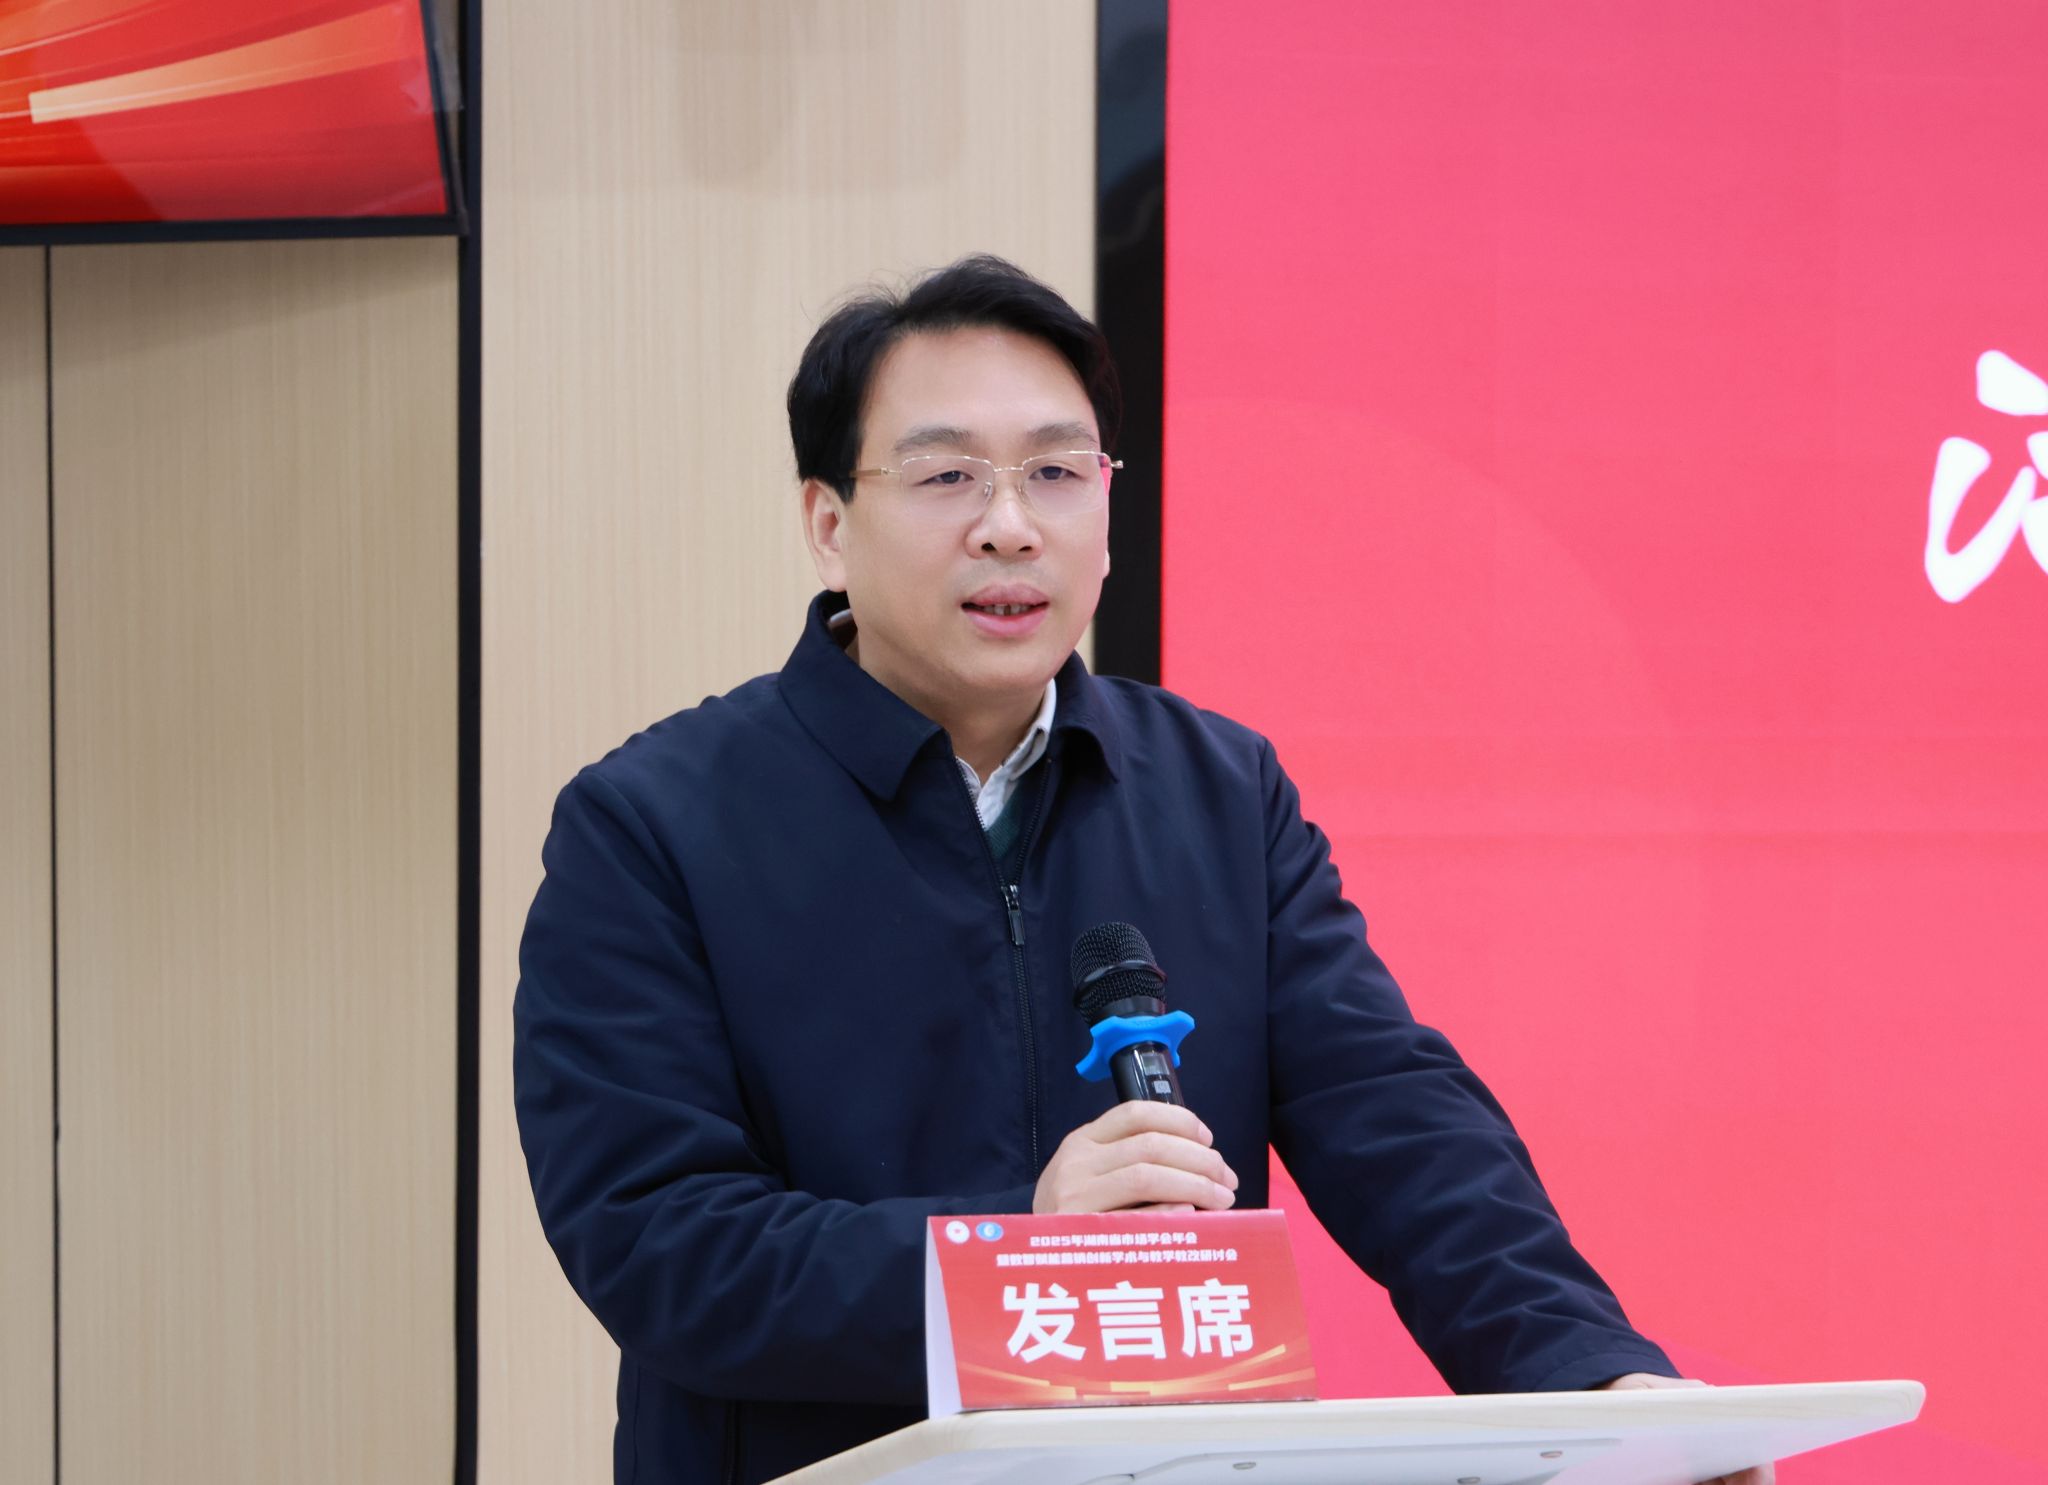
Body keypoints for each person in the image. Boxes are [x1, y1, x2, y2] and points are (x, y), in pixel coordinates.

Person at [513, 255, 1773, 1485]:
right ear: (828, 525)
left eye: (1056, 473)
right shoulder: (652, 824)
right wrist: (1017, 1254)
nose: (1009, 527)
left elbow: (1395, 1121)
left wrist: (1594, 1380)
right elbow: (655, 1240)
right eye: (947, 476)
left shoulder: (1219, 790)